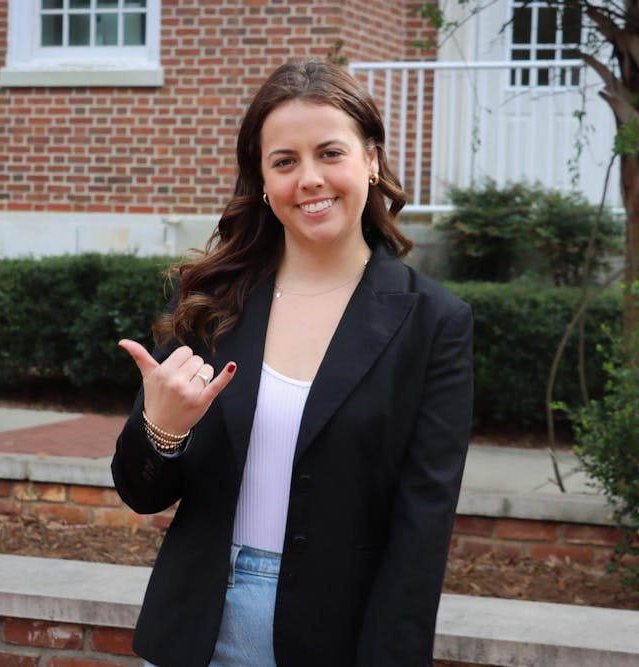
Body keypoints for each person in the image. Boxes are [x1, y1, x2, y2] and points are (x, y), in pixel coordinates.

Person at [112, 59, 473, 667]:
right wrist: (162, 430)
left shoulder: (433, 323)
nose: (309, 178)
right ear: (261, 178)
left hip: (333, 635)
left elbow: (422, 530)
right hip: (192, 628)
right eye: (284, 161)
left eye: (330, 153)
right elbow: (139, 491)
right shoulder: (211, 301)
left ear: (371, 160)